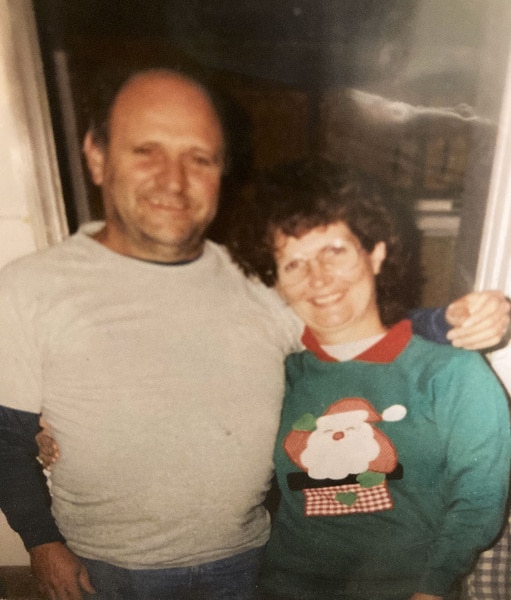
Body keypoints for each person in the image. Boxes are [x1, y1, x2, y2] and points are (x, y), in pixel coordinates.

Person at [0, 66, 508, 600]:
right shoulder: (28, 287)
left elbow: (354, 324)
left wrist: (450, 323)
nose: (174, 179)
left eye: (200, 158)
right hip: (105, 572)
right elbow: (7, 439)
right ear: (98, 156)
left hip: (248, 566)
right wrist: (41, 542)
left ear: (221, 173)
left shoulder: (257, 283)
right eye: (146, 150)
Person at [229, 157, 511, 600]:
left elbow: (479, 501)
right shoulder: (278, 374)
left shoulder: (451, 372)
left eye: (334, 251)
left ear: (376, 253)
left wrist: (431, 589)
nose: (318, 278)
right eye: (293, 264)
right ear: (277, 283)